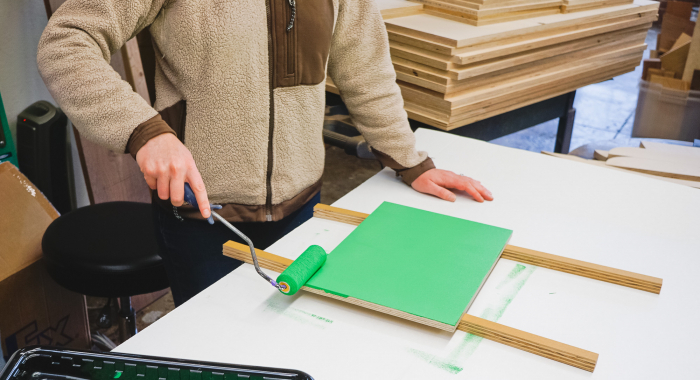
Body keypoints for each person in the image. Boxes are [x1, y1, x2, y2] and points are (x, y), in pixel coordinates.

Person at [38, 0, 493, 306]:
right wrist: (144, 131)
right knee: (218, 358)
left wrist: (411, 161)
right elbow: (67, 41)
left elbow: (367, 70)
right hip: (205, 218)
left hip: (303, 210)